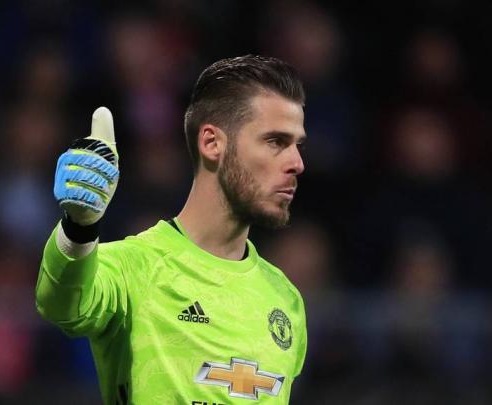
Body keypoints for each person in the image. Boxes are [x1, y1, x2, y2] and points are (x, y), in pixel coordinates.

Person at [35, 54, 308, 404]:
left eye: (297, 145)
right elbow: (60, 306)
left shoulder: (286, 299)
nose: (297, 163)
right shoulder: (133, 267)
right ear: (212, 143)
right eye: (275, 142)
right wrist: (79, 228)